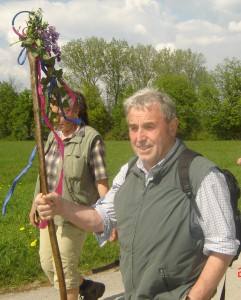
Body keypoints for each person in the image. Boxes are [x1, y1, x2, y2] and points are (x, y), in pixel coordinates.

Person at [35, 88, 240, 300]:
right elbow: (101, 218)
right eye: (133, 128)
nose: (139, 137)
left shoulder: (202, 175)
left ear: (173, 126)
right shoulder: (129, 171)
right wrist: (62, 207)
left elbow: (222, 246)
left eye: (149, 127)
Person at [29, 90, 109, 300]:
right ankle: (88, 287)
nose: (56, 119)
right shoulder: (51, 137)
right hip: (50, 213)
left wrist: (111, 218)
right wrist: (34, 204)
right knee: (48, 265)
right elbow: (43, 173)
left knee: (64, 273)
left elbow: (101, 181)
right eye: (53, 113)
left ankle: (75, 290)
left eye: (60, 113)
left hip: (76, 215)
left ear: (76, 110)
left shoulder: (91, 138)